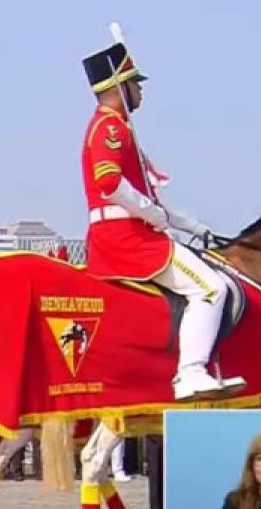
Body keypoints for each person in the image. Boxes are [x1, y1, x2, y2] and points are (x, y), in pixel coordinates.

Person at [80, 37, 245, 402]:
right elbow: (108, 182)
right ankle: (190, 373)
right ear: (118, 87)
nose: (141, 91)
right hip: (128, 238)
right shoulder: (110, 128)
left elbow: (154, 199)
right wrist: (151, 214)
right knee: (210, 288)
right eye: (135, 84)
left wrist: (195, 226)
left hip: (134, 231)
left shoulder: (119, 128)